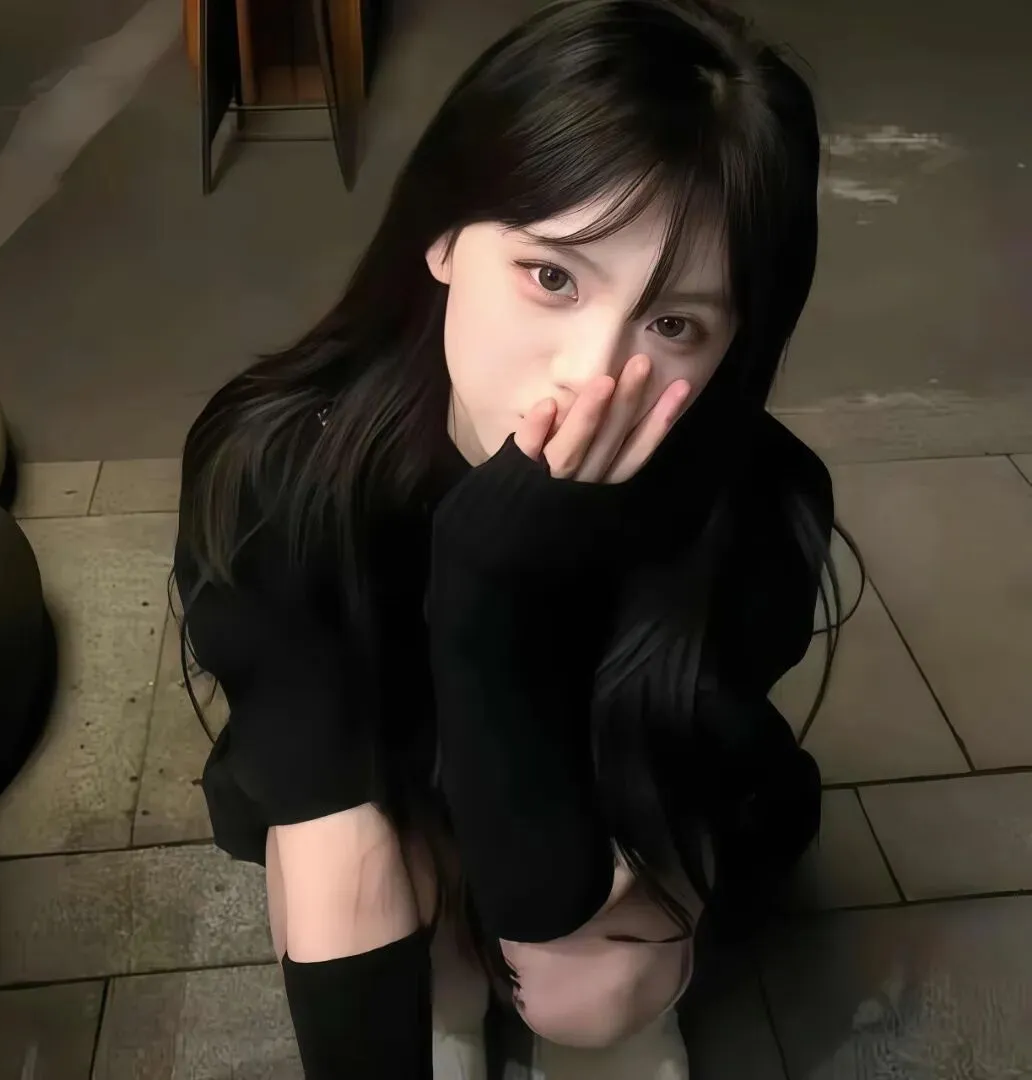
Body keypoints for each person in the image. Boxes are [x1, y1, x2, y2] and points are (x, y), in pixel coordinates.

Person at [174, 1, 841, 1076]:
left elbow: (551, 892)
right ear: (444, 236)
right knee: (339, 866)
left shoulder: (749, 508)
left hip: (586, 811)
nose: (589, 374)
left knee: (590, 983)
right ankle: (448, 996)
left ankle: (607, 1027)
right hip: (394, 796)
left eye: (675, 324)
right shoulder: (282, 471)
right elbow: (320, 793)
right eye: (552, 277)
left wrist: (492, 588)